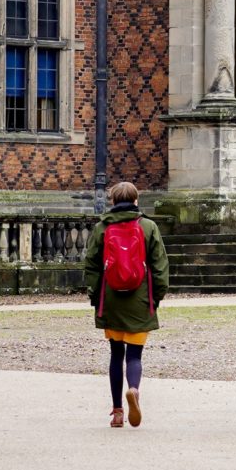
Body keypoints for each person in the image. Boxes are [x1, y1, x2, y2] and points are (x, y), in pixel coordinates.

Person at [84, 180, 170, 428]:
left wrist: (95, 297)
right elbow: (160, 266)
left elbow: (91, 266)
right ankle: (133, 389)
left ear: (112, 201)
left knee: (115, 355)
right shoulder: (148, 227)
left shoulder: (101, 228)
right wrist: (156, 297)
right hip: (140, 297)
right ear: (135, 201)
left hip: (111, 298)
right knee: (134, 356)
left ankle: (118, 412)